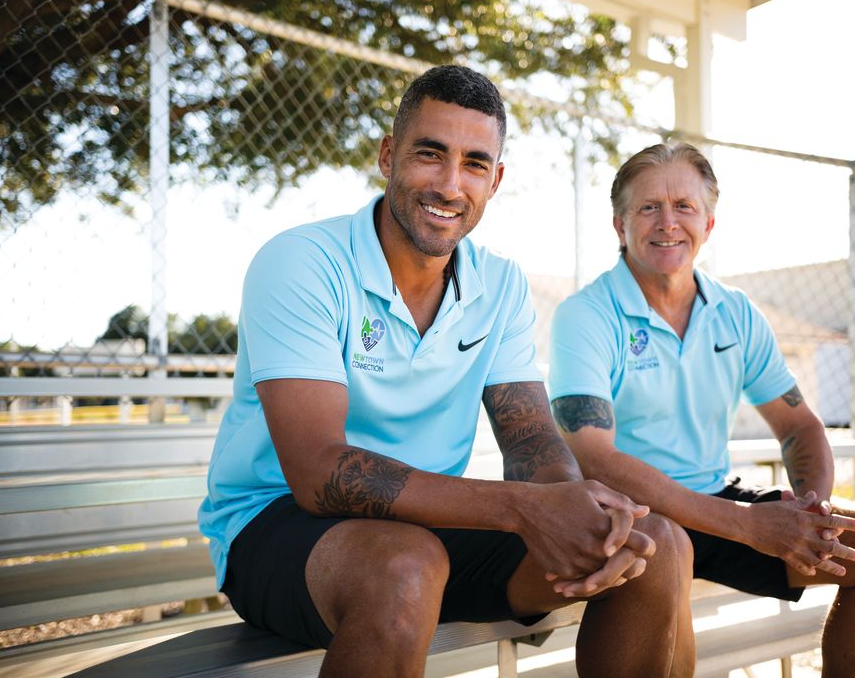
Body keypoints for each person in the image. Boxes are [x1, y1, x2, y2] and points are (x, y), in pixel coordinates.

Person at [198, 67, 694, 677]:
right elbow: (317, 472)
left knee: (655, 547)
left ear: (496, 180)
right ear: (388, 156)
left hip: (429, 526)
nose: (450, 184)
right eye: (430, 155)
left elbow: (533, 440)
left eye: (475, 164)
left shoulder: (501, 284)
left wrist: (569, 504)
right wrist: (524, 510)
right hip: (278, 526)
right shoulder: (302, 262)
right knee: (407, 566)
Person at [548, 142, 855, 677]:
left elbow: (798, 426)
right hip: (628, 515)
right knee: (668, 549)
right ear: (619, 224)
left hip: (717, 506)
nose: (668, 222)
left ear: (709, 222)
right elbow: (595, 460)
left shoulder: (735, 311)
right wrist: (747, 524)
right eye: (648, 207)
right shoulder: (585, 315)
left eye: (685, 207)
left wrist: (809, 510)